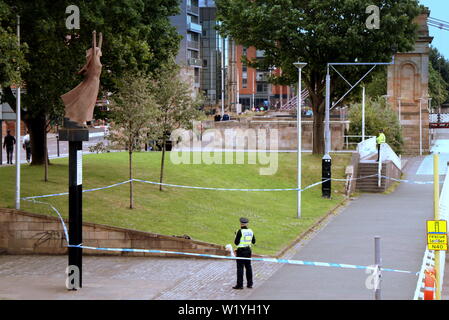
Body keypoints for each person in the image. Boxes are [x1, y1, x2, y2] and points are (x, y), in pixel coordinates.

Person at [233, 217, 256, 289]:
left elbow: (236, 243)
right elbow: (253, 241)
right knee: (248, 267)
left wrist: (236, 235)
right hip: (248, 250)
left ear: (240, 224)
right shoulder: (251, 231)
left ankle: (240, 285)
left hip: (241, 251)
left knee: (240, 268)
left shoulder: (239, 231)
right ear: (247, 224)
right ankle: (250, 284)